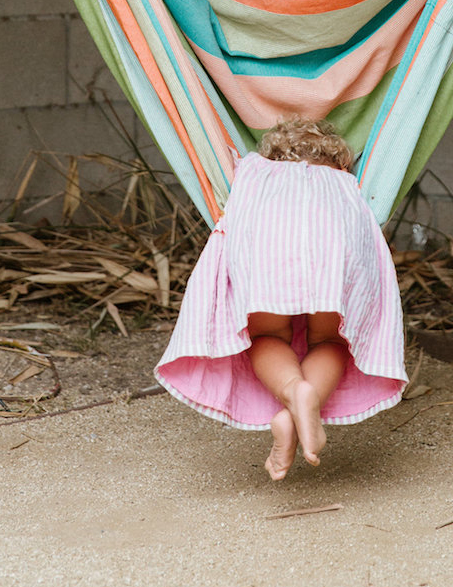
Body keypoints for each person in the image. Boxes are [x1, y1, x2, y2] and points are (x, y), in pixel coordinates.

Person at [154, 118, 407, 480]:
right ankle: (299, 408)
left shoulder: (251, 172)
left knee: (268, 337)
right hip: (332, 253)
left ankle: (295, 390)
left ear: (272, 154)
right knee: (329, 339)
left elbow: (214, 145)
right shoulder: (346, 183)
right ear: (339, 161)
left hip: (266, 252)